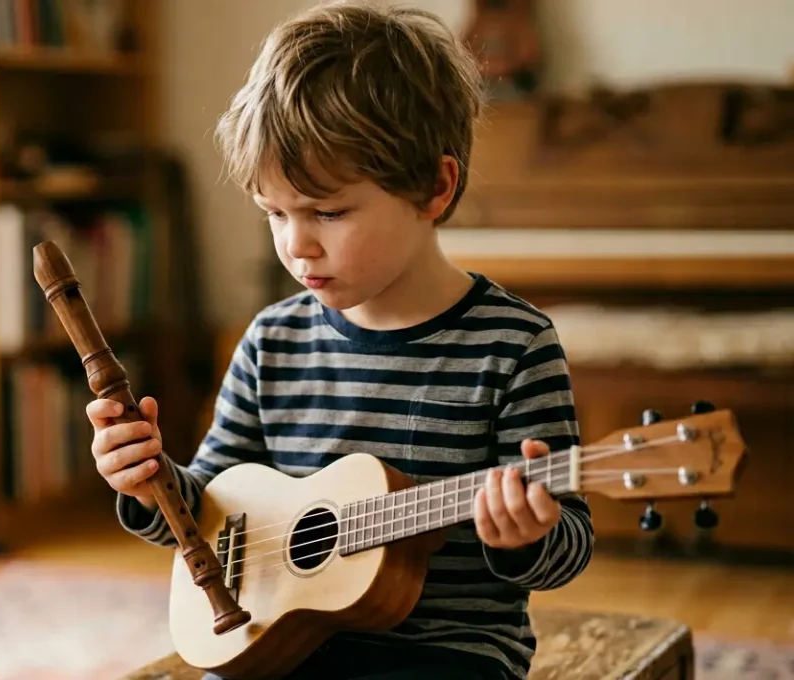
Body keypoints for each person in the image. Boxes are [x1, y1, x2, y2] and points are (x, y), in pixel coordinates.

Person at [86, 2, 593, 679]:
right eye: (275, 213)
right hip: (278, 641)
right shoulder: (271, 343)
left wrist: (527, 538)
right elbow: (209, 513)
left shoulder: (513, 346)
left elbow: (571, 542)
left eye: (329, 211)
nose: (297, 245)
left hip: (446, 654)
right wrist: (153, 485)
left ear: (434, 187)